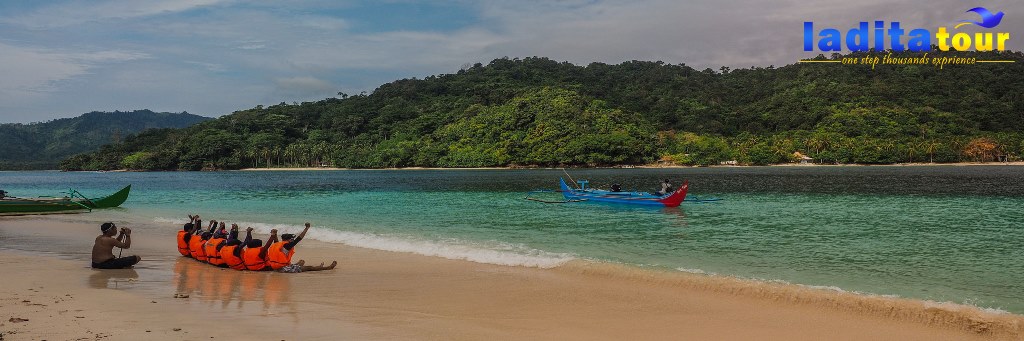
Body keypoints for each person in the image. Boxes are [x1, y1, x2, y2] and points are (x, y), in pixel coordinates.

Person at [268, 222, 337, 273]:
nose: (293, 240)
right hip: (283, 268)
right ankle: (328, 267)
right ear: (288, 240)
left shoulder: (278, 245)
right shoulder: (287, 246)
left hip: (275, 267)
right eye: (292, 239)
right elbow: (299, 238)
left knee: (301, 262)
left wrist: (274, 234)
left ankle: (316, 267)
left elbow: (275, 240)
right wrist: (306, 228)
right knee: (309, 268)